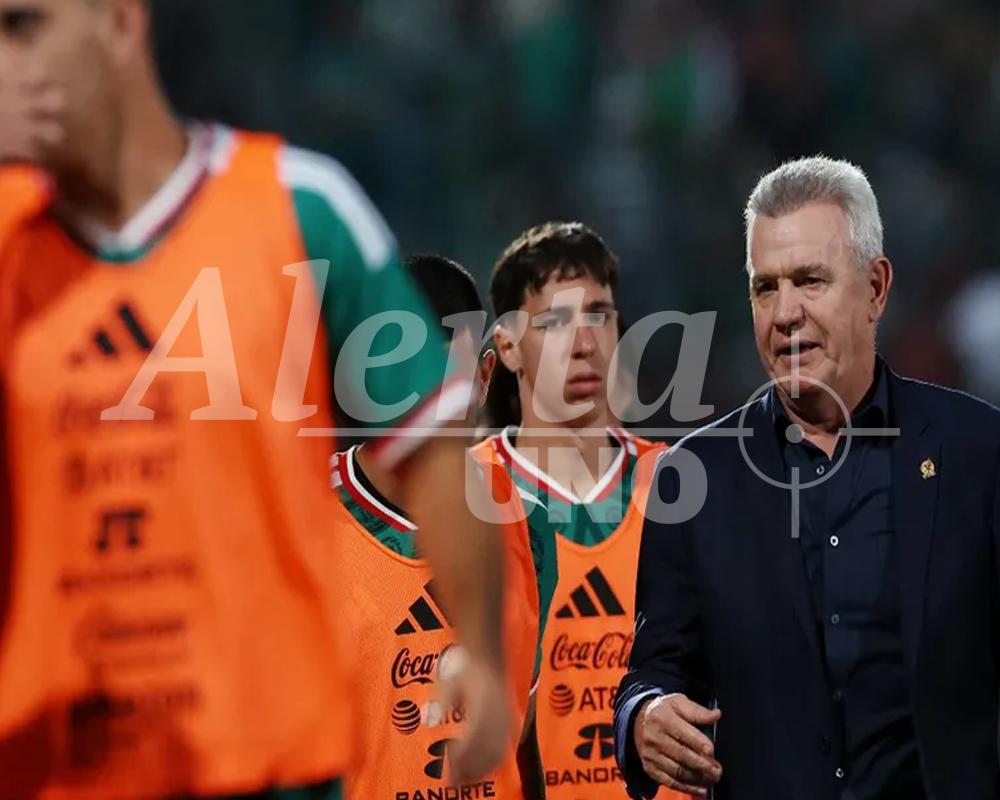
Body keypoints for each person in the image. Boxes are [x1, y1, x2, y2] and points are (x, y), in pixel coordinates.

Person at [0, 1, 509, 798]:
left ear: (120, 23)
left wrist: (479, 649)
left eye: (22, 27)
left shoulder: (297, 208)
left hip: (269, 768)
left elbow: (435, 447)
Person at [614, 156, 1000, 800]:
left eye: (810, 280)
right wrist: (644, 716)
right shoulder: (694, 477)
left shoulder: (979, 453)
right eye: (765, 288)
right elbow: (655, 671)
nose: (785, 312)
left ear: (875, 288)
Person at [336, 253, 548, 800]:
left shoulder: (526, 522)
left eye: (448, 386)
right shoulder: (305, 525)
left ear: (484, 377)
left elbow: (526, 743)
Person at [483, 222, 683, 800]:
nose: (584, 342)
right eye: (553, 322)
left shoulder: (677, 484)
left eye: (599, 314)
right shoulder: (467, 495)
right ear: (508, 347)